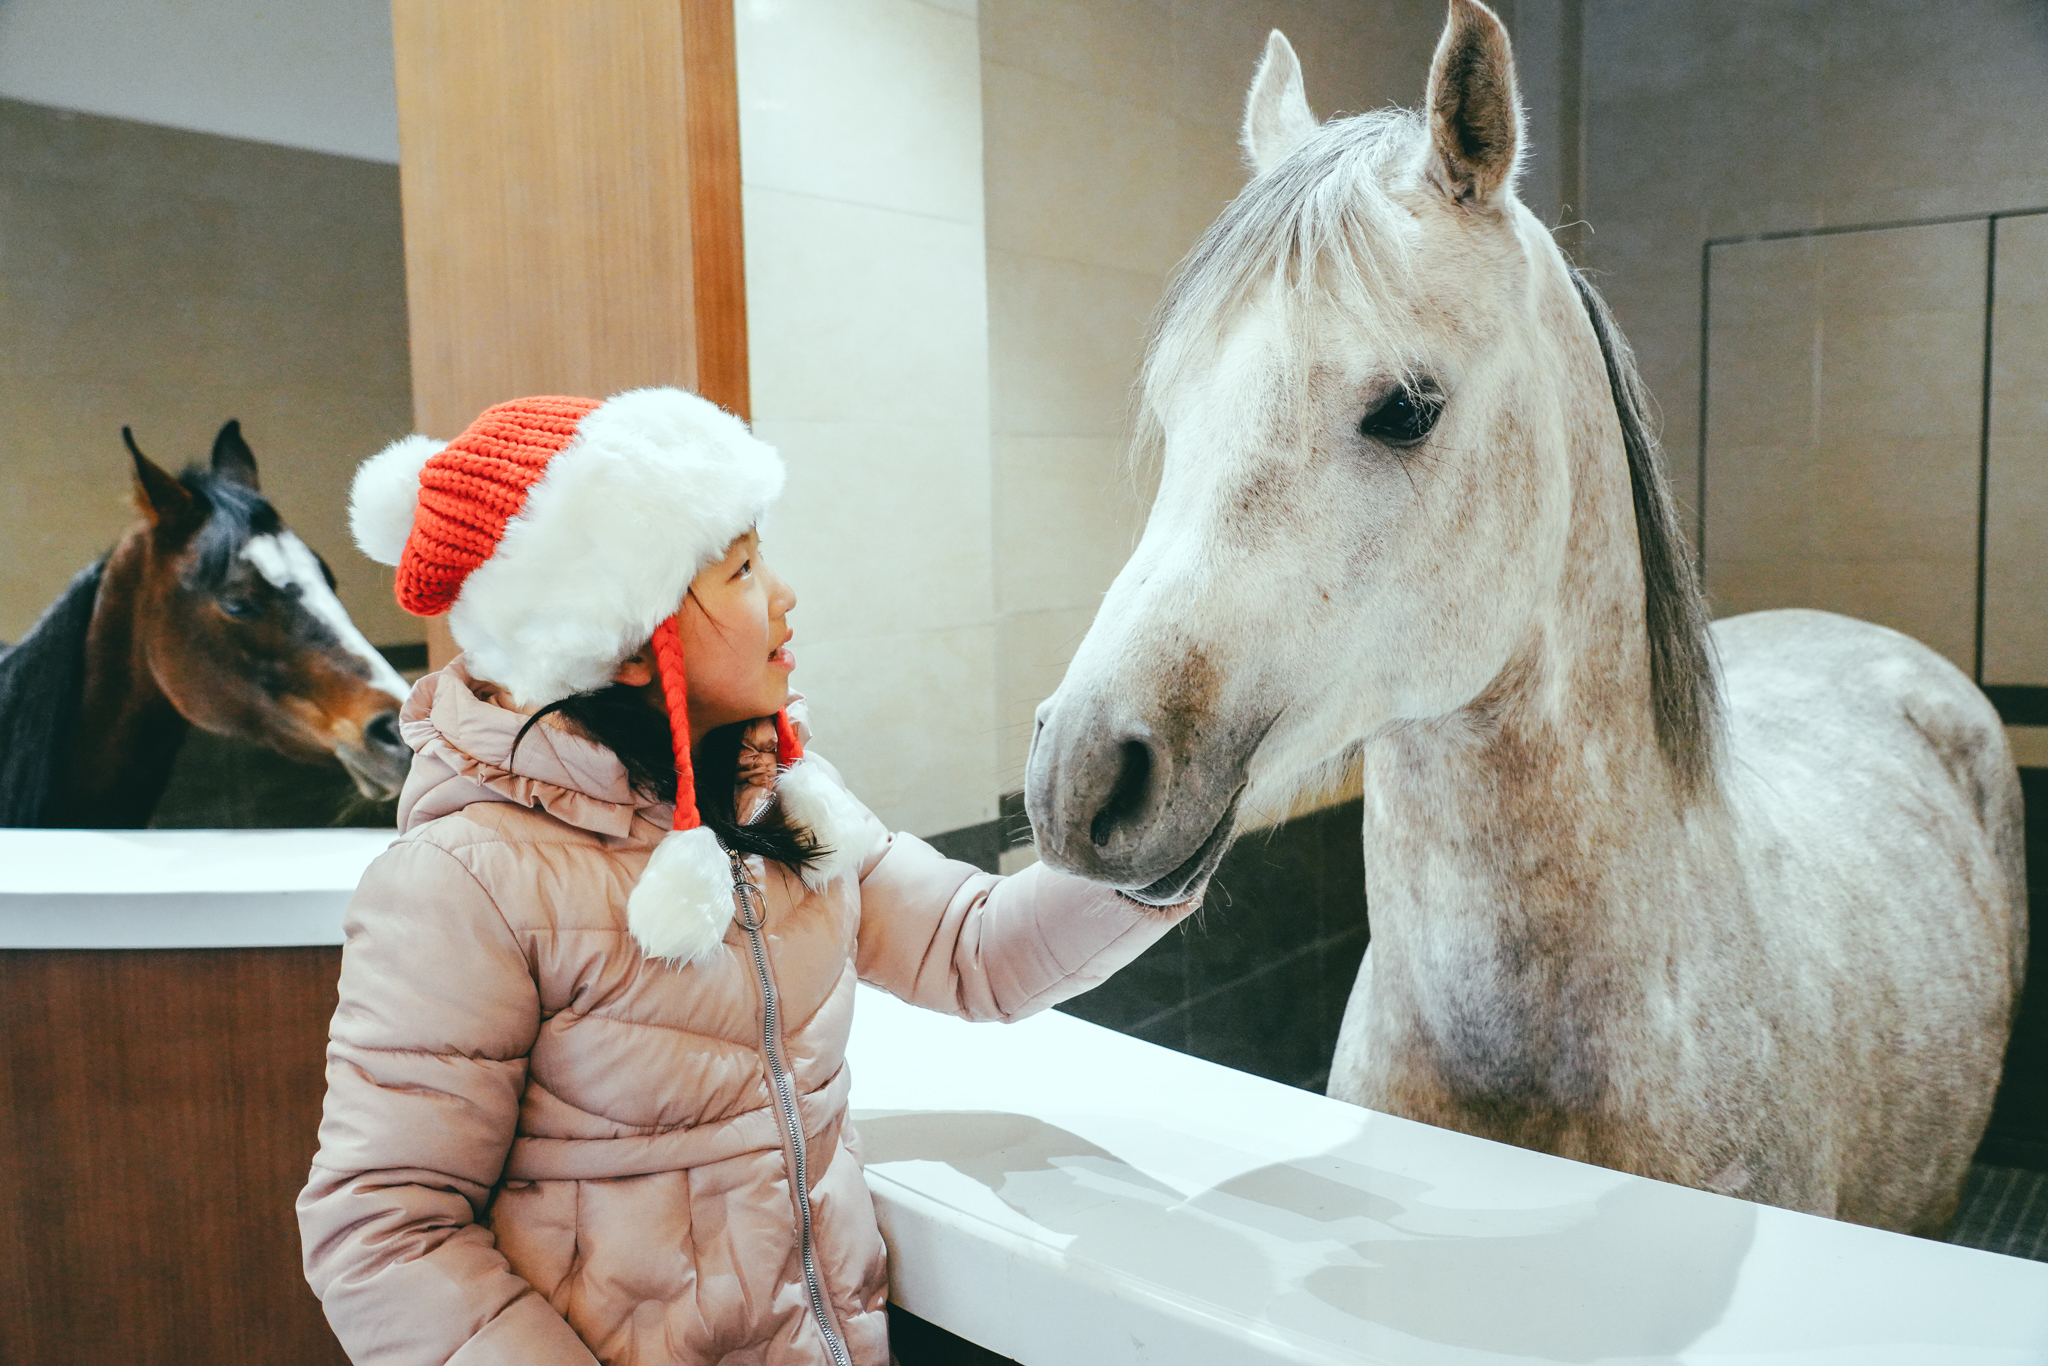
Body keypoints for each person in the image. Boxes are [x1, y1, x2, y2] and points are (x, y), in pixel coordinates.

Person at [295, 389, 1197, 1365]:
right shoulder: (465, 880)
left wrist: (1156, 840)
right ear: (628, 635)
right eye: (740, 568)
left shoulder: (783, 795)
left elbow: (970, 950)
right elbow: (384, 1230)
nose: (783, 593)